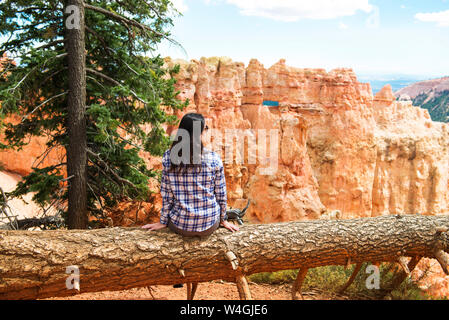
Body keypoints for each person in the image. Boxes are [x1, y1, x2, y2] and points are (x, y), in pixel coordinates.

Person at [142, 113, 238, 236]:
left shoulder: (168, 157)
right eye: (205, 128)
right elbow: (221, 195)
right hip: (209, 225)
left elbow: (167, 195)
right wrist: (223, 220)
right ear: (200, 133)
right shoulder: (214, 159)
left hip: (180, 225)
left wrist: (163, 222)